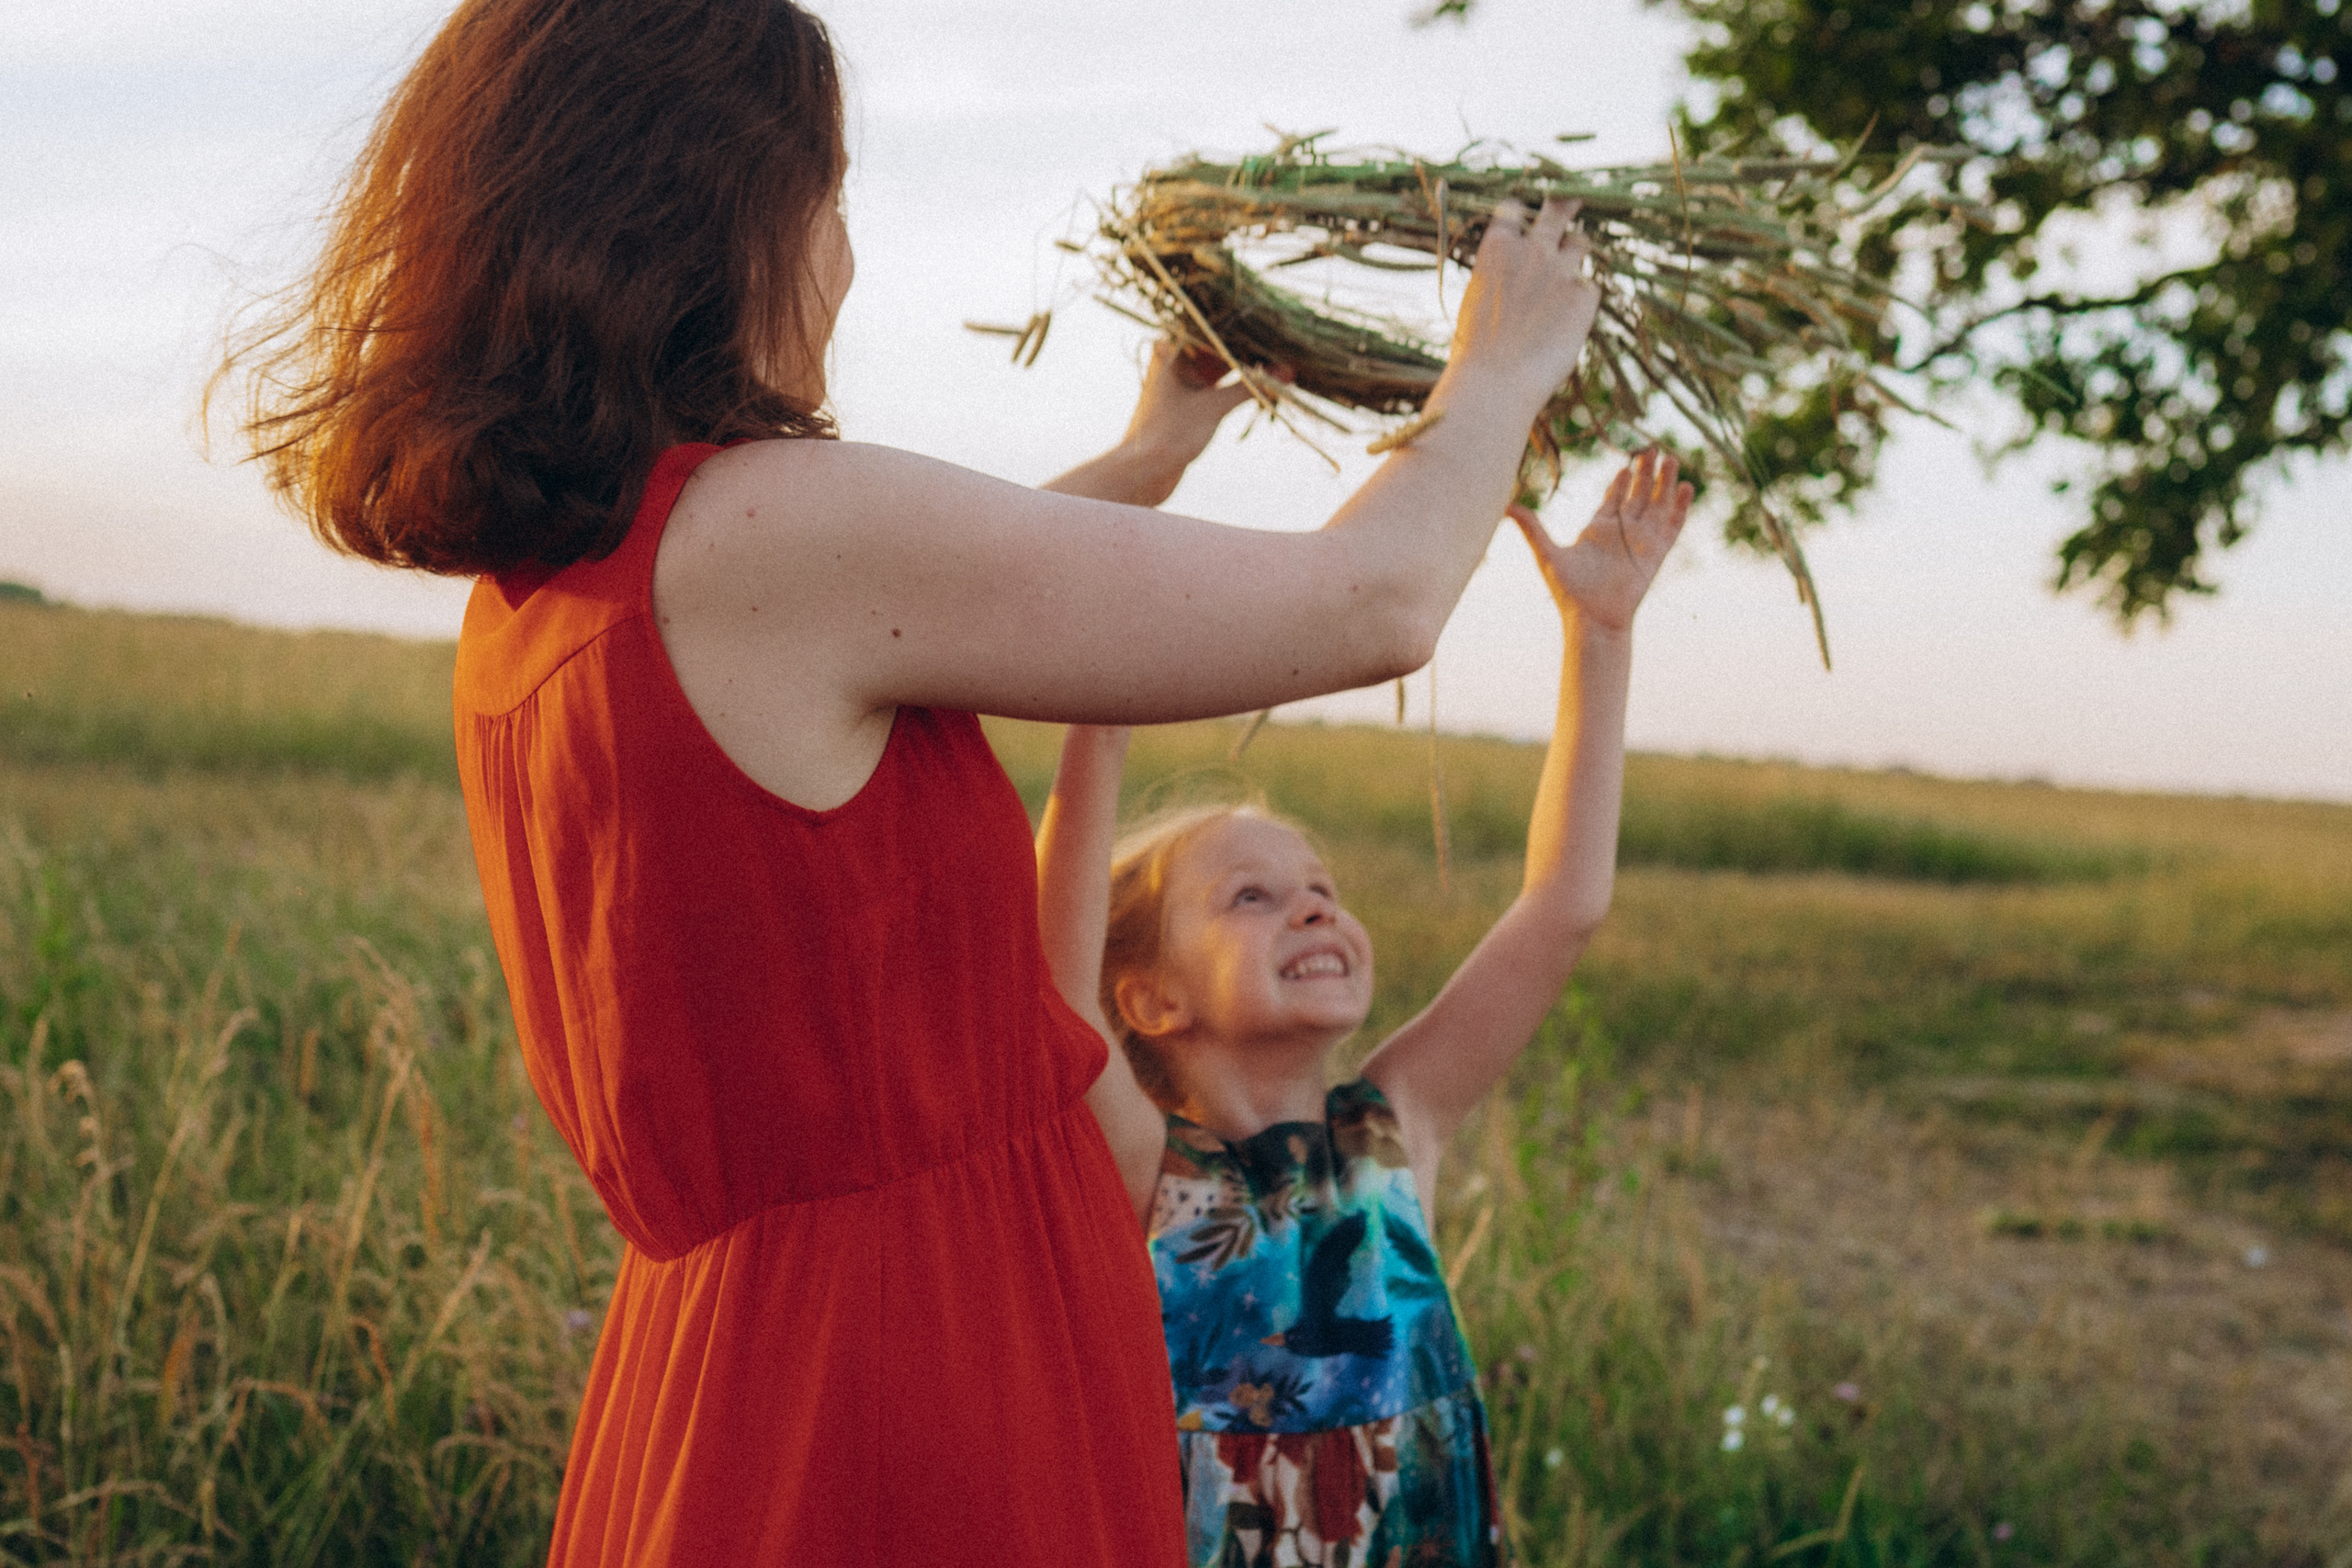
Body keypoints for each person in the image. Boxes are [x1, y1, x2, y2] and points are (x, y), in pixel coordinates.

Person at [219, 0, 1600, 1562]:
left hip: (743, 1358)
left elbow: (923, 614)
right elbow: (1375, 605)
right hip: (923, 1366)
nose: (843, 255)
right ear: (720, 208)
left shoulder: (565, 584)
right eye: (832, 194)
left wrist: (1150, 460)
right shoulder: (772, 530)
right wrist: (1499, 370)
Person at [1035, 451, 1690, 1567]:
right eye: (1254, 898)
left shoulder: (1395, 1121)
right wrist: (1104, 711)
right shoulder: (1148, 1163)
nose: (1313, 912)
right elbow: (1051, 983)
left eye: (1323, 891)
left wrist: (1602, 636)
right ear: (1149, 996)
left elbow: (1563, 906)